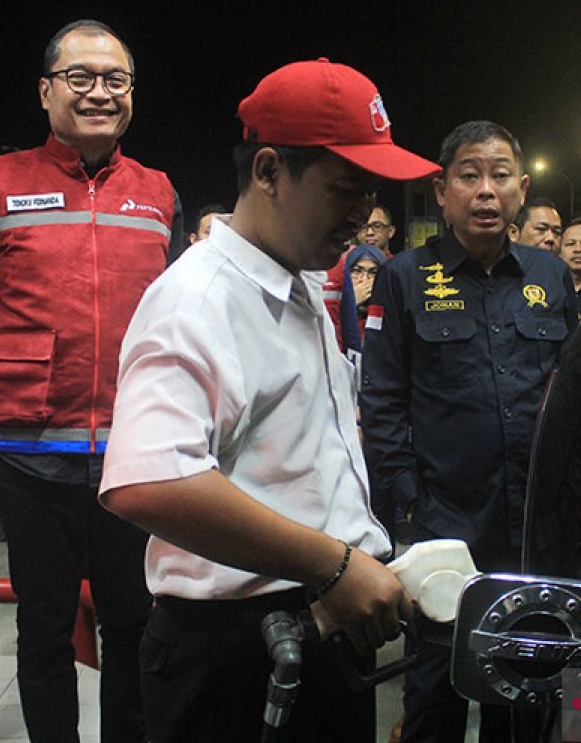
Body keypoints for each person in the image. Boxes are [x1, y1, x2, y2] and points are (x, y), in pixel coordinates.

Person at [99, 58, 438, 743]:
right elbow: (147, 482)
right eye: (345, 189)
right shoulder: (198, 299)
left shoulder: (301, 280)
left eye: (370, 192)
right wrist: (333, 563)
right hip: (235, 659)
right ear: (268, 171)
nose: (363, 215)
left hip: (321, 630)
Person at [0, 19, 182, 742]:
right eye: (80, 77)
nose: (99, 92)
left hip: (132, 457)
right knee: (45, 633)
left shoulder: (158, 191)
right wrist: (25, 362)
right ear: (46, 91)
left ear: (132, 96)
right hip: (28, 454)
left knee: (134, 630)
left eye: (115, 80)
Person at [361, 120, 577, 742]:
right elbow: (381, 398)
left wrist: (580, 490)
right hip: (444, 529)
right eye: (470, 175)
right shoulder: (405, 276)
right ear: (442, 190)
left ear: (523, 188)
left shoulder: (550, 276)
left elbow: (572, 394)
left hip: (537, 525)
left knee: (528, 688)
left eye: (500, 175)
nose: (486, 191)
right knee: (437, 690)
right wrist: (410, 502)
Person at [347, 242, 385, 341]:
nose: (364, 279)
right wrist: (351, 304)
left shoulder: (390, 310)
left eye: (373, 272)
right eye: (357, 271)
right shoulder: (336, 308)